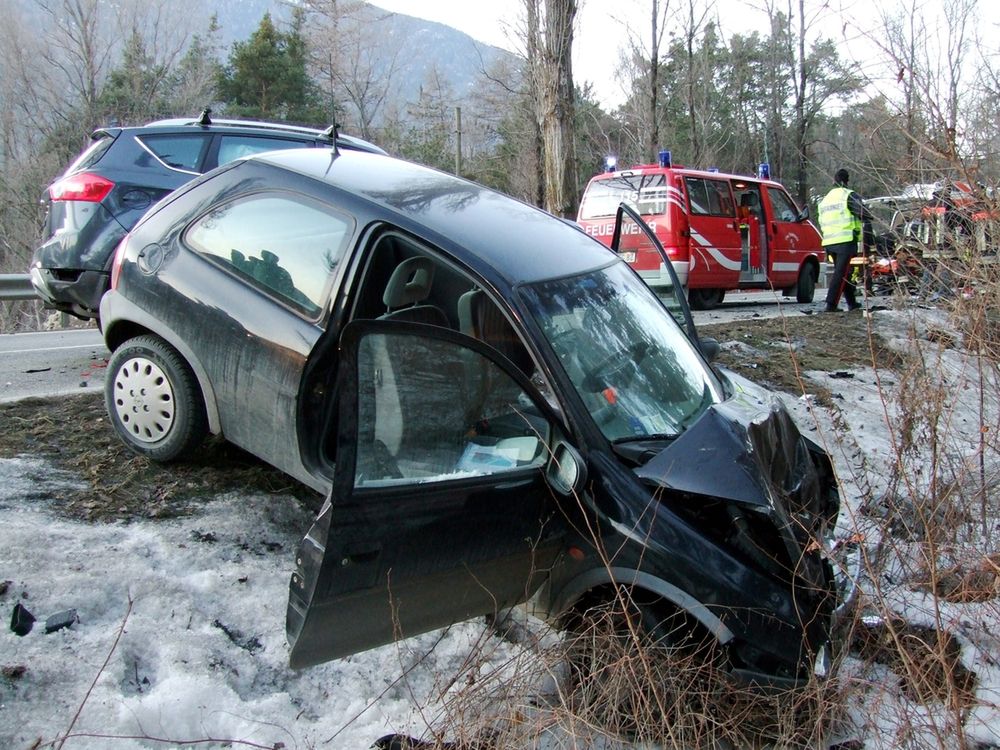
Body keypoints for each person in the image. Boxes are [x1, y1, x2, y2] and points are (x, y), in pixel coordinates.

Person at [818, 168, 871, 312]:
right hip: (845, 240)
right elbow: (864, 213)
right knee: (840, 273)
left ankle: (852, 303)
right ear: (846, 181)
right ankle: (831, 304)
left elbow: (821, 220)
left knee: (843, 271)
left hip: (829, 241)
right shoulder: (848, 195)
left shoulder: (826, 198)